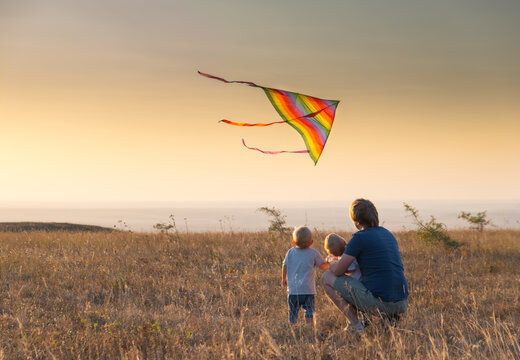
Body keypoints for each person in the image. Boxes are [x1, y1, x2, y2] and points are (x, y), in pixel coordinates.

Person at [322, 199, 409, 335]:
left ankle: (356, 324)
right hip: (402, 301)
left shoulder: (358, 238)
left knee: (327, 277)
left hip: (380, 301)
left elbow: (339, 271)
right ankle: (388, 317)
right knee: (364, 279)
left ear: (357, 223)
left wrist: (331, 262)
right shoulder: (388, 234)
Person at [282, 226, 329, 325]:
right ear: (311, 242)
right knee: (309, 310)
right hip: (308, 290)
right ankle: (309, 326)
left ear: (294, 242)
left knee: (293, 311)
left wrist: (283, 278)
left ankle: (292, 328)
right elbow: (322, 266)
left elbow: (285, 265)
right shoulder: (313, 253)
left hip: (293, 290)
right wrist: (331, 263)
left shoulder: (290, 252)